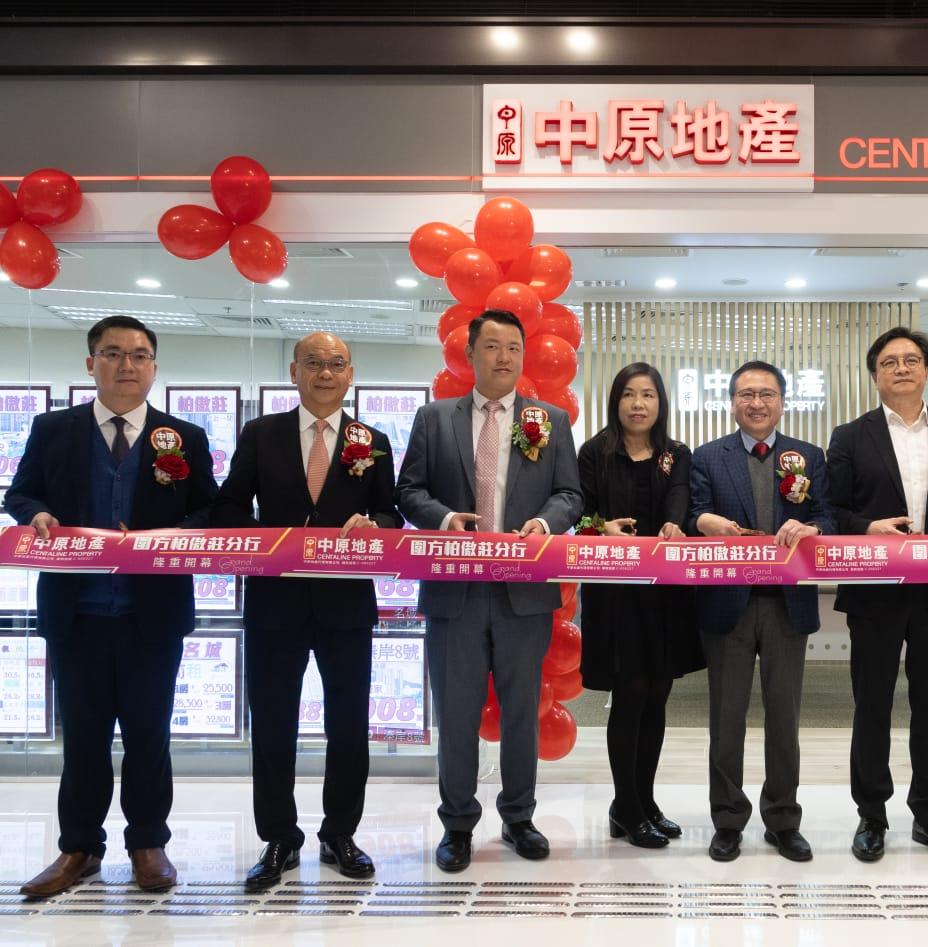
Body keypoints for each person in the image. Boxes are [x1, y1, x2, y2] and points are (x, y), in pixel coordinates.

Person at [4, 315, 217, 897]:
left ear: (154, 367)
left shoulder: (183, 436)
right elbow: (20, 492)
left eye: (140, 355)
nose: (127, 365)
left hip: (154, 615)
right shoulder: (54, 429)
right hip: (76, 614)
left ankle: (148, 844)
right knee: (84, 738)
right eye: (113, 353)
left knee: (149, 735)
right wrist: (35, 514)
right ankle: (79, 848)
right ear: (90, 362)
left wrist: (177, 534)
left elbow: (210, 508)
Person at [212, 332, 402, 891]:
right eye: (313, 363)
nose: (325, 373)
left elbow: (390, 514)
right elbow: (228, 507)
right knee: (274, 725)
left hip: (346, 606)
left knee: (349, 727)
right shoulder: (261, 433)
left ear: (351, 375)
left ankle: (340, 833)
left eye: (336, 364)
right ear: (294, 372)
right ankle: (278, 838)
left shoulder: (373, 440)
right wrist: (272, 541)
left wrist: (374, 525)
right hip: (275, 603)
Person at [397, 308, 581, 869]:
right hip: (455, 591)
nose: (504, 357)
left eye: (514, 348)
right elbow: (409, 490)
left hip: (522, 593)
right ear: (471, 354)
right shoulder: (435, 418)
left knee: (522, 708)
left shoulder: (550, 421)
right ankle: (457, 825)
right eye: (493, 346)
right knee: (456, 711)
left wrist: (545, 523)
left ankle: (519, 817)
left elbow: (570, 495)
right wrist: (443, 518)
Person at [826, 327, 928, 863]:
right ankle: (871, 816)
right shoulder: (850, 436)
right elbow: (831, 511)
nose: (901, 368)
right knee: (871, 705)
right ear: (875, 375)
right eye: (890, 362)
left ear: (927, 370)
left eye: (912, 360)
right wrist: (866, 527)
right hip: (874, 591)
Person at [689, 360, 834, 863]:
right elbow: (691, 513)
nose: (757, 403)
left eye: (767, 394)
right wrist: (703, 521)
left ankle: (783, 820)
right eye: (747, 394)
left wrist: (814, 528)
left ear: (782, 402)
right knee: (726, 720)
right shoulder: (708, 457)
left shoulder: (808, 456)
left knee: (784, 718)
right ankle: (728, 820)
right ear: (732, 402)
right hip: (728, 601)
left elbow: (828, 515)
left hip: (786, 604)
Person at [576, 363, 703, 848]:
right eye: (629, 394)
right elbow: (579, 510)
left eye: (648, 395)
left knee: (657, 693)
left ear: (660, 403)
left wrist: (675, 525)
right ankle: (625, 807)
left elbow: (680, 498)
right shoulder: (595, 453)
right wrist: (599, 527)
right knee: (629, 692)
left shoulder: (676, 453)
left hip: (665, 592)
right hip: (616, 593)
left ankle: (645, 802)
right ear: (616, 401)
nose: (638, 404)